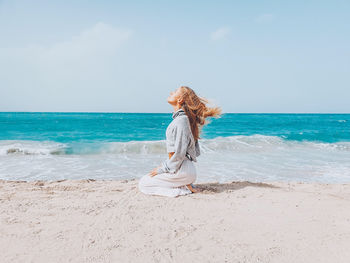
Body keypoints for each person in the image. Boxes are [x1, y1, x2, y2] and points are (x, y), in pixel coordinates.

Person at [138, 86, 222, 197]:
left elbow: (180, 153)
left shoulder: (182, 120)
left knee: (144, 184)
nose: (171, 92)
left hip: (182, 171)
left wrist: (163, 168)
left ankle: (183, 189)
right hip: (181, 170)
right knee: (147, 179)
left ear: (180, 99)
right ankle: (184, 185)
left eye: (174, 92)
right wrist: (165, 167)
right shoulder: (182, 119)